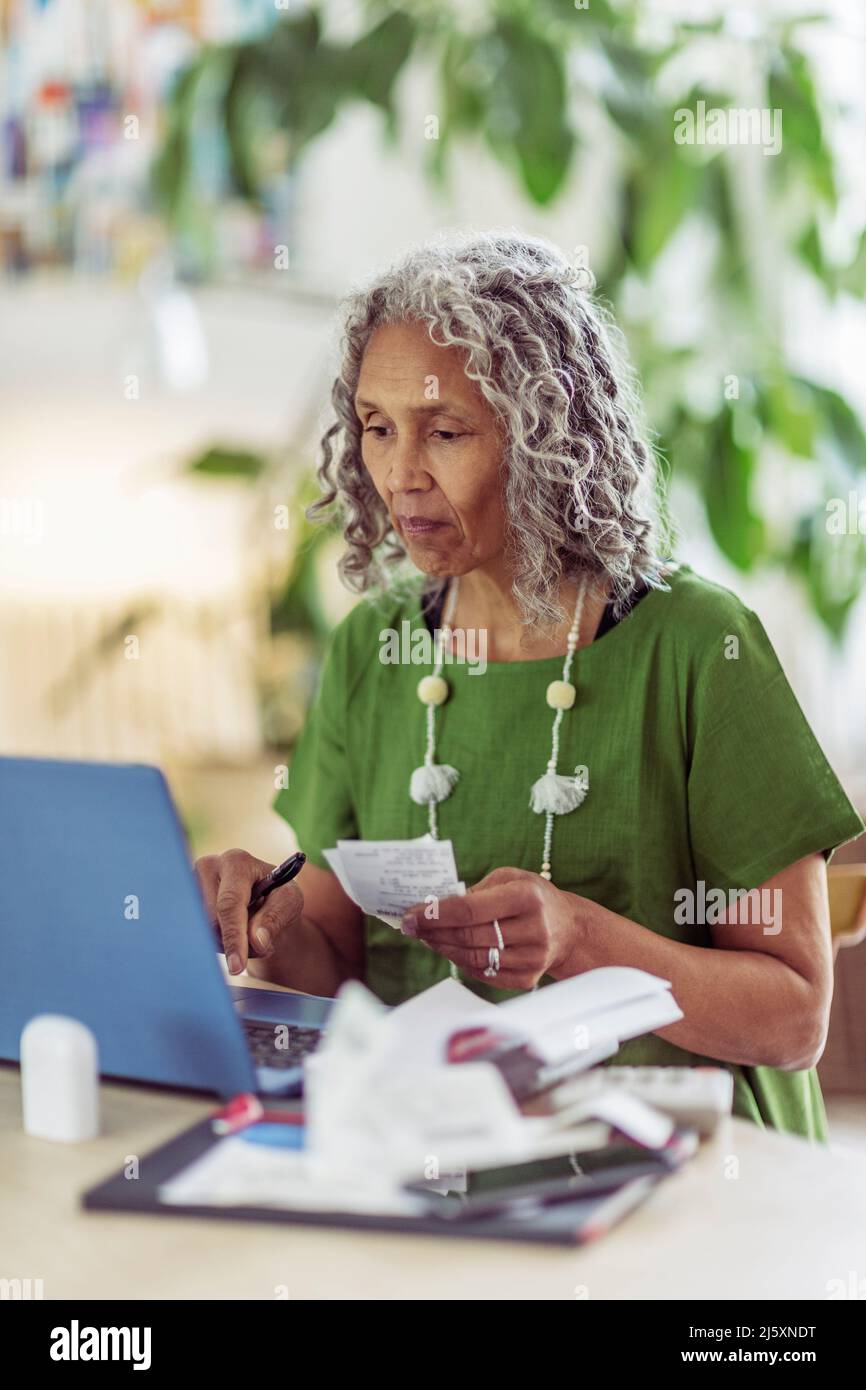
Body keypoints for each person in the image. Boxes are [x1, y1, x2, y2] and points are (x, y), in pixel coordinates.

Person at [195, 231, 864, 1140]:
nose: (398, 476)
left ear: (551, 438)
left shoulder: (701, 649)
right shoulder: (373, 650)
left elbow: (795, 1018)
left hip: (684, 1161)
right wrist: (270, 926)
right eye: (378, 427)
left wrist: (582, 939)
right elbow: (343, 974)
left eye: (445, 432)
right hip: (440, 1150)